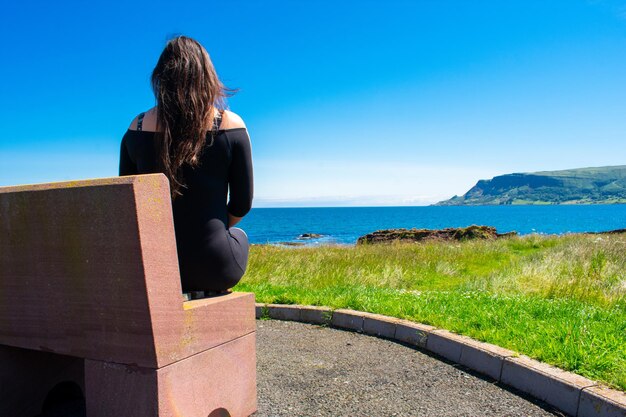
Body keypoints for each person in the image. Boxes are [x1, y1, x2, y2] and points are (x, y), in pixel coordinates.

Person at [119, 36, 253, 293]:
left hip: (155, 269)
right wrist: (206, 227)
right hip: (215, 266)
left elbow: (129, 206)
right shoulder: (231, 124)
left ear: (161, 77)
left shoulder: (135, 128)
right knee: (240, 237)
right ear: (207, 76)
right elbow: (241, 204)